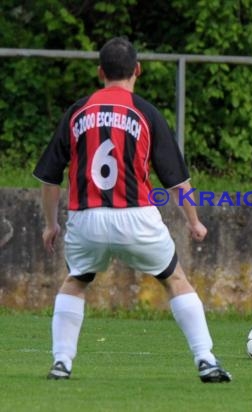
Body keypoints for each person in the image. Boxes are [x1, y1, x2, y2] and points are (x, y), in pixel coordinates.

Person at [33, 36, 232, 382]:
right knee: (175, 280)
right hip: (136, 217)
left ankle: (62, 363)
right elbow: (176, 181)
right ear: (137, 70)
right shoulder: (146, 112)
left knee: (75, 282)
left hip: (86, 218)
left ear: (100, 72)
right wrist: (194, 221)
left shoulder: (77, 111)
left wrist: (51, 225)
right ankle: (207, 360)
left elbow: (49, 178)